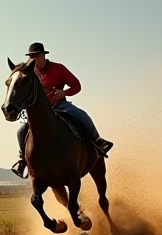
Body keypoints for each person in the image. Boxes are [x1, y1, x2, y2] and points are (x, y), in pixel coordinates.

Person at [11, 42, 113, 178]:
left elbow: (77, 85)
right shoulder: (29, 74)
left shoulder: (58, 68)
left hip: (59, 106)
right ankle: (23, 161)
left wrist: (63, 93)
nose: (33, 60)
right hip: (40, 114)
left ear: (43, 55)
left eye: (36, 56)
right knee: (21, 132)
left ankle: (98, 141)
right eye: (31, 57)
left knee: (82, 115)